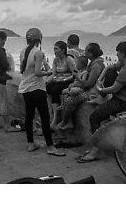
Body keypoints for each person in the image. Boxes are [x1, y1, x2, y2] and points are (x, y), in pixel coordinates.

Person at [77, 41, 126, 163]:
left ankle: (95, 151)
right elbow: (110, 67)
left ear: (122, 53)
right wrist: (102, 77)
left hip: (125, 101)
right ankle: (101, 98)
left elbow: (114, 89)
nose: (116, 54)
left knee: (94, 117)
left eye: (118, 52)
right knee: (111, 72)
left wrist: (100, 89)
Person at [18, 28, 65, 156]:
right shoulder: (38, 53)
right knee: (45, 117)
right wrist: (51, 72)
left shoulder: (23, 51)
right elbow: (38, 72)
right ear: (39, 39)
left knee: (29, 115)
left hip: (25, 88)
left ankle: (31, 144)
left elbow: (26, 70)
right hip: (37, 88)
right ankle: (50, 147)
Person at [58, 43, 105, 130]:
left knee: (70, 101)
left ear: (90, 54)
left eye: (86, 50)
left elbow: (89, 84)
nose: (84, 52)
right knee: (67, 97)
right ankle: (69, 122)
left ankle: (66, 122)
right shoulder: (94, 63)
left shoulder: (96, 66)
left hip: (92, 93)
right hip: (90, 90)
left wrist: (77, 82)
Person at [46, 41, 77, 129]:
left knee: (55, 90)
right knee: (48, 88)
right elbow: (54, 74)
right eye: (54, 49)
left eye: (56, 49)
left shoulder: (69, 60)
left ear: (63, 50)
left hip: (68, 80)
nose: (54, 51)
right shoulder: (56, 60)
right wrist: (47, 81)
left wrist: (65, 79)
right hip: (59, 79)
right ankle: (53, 114)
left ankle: (55, 118)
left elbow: (74, 73)